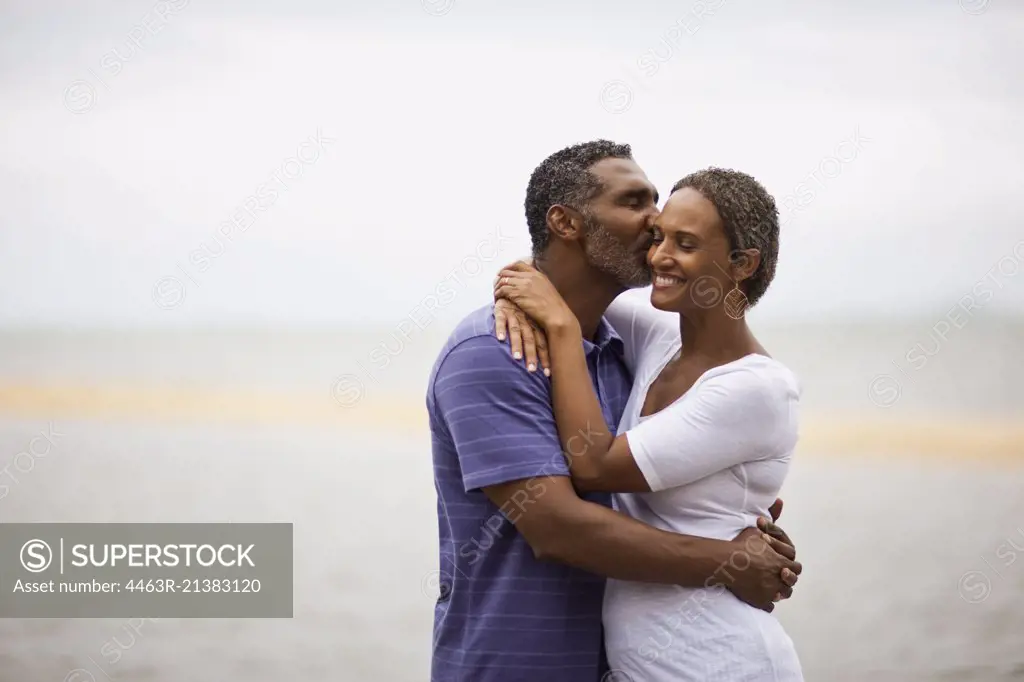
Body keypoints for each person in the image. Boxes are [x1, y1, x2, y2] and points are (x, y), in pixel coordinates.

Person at [425, 141, 801, 682]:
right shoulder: (491, 352)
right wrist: (728, 562)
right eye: (634, 202)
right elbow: (557, 527)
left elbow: (653, 484)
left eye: (659, 205)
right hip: (509, 665)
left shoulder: (618, 347)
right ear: (566, 222)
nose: (655, 222)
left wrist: (736, 517)